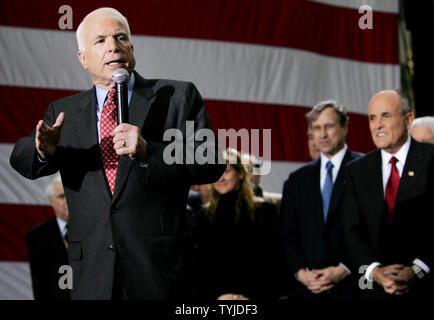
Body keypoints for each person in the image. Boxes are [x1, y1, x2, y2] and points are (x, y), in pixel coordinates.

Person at [10, 8, 225, 300]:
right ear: (83, 59)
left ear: (132, 48)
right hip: (93, 275)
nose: (113, 45)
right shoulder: (65, 113)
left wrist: (150, 151)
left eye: (120, 37)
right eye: (100, 40)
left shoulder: (177, 96)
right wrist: (42, 151)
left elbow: (210, 161)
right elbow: (21, 158)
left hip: (159, 272)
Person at [343, 90, 434, 300]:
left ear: (408, 119)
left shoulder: (430, 160)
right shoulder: (357, 170)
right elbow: (351, 231)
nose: (378, 125)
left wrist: (417, 269)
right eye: (372, 118)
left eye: (386, 116)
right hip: (375, 291)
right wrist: (375, 271)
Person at [280, 100, 362, 300]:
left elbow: (372, 229)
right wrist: (301, 273)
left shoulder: (366, 169)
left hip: (354, 287)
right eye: (316, 128)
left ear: (344, 127)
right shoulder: (297, 179)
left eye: (329, 126)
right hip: (308, 290)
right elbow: (287, 234)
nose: (323, 134)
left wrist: (344, 268)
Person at [194, 149, 282, 301]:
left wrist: (247, 297)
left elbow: (274, 262)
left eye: (226, 171)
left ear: (240, 174)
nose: (220, 178)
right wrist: (219, 296)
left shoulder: (265, 211)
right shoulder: (203, 216)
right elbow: (202, 266)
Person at [26, 174, 70, 300]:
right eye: (62, 196)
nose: (67, 200)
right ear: (51, 201)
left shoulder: (93, 230)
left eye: (70, 194)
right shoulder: (37, 236)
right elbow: (39, 281)